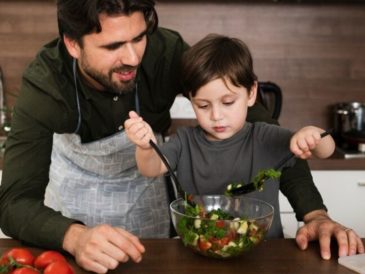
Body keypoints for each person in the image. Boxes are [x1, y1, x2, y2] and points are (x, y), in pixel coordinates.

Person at [0, 0, 362, 273]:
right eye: (112, 47)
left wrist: (314, 214)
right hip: (74, 209)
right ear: (73, 45)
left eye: (139, 38)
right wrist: (74, 236)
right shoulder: (45, 84)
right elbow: (14, 202)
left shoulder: (167, 52)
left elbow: (269, 140)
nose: (132, 57)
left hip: (148, 197)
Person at [125, 33, 337, 240]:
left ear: (251, 94)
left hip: (263, 253)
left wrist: (312, 134)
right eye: (203, 105)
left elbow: (326, 150)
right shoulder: (184, 141)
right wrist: (145, 147)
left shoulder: (266, 137)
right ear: (191, 100)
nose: (216, 116)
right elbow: (150, 168)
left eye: (228, 103)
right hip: (199, 248)